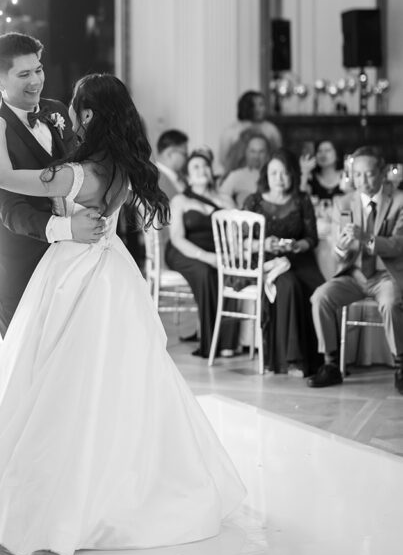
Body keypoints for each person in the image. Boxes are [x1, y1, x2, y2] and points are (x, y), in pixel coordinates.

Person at [0, 75, 245, 555]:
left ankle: (63, 491)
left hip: (73, 268)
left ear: (88, 116)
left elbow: (8, 179)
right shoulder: (121, 167)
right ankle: (111, 472)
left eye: (75, 109)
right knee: (110, 380)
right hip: (112, 268)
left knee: (61, 381)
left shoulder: (79, 174)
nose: (68, 117)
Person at [0, 32, 105, 336]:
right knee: (26, 369)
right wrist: (67, 228)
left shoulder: (57, 111)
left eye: (38, 70)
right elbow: (9, 209)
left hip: (68, 264)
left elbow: (78, 168)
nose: (36, 80)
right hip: (18, 270)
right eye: (24, 74)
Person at [308, 147, 403, 394]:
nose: (363, 181)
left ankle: (401, 365)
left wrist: (368, 238)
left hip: (386, 276)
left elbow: (398, 245)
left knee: (392, 303)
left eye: (369, 174)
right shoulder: (344, 202)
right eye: (357, 175)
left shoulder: (400, 200)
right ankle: (330, 365)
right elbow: (340, 253)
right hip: (354, 275)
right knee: (321, 297)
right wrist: (340, 246)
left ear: (383, 173)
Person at [243, 150, 323, 377]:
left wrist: (298, 246)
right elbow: (240, 241)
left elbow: (312, 239)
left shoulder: (302, 200)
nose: (279, 178)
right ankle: (288, 359)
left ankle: (317, 357)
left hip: (298, 259)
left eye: (285, 172)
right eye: (274, 172)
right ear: (265, 175)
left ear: (293, 175)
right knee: (288, 286)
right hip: (266, 262)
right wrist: (263, 244)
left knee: (317, 289)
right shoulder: (253, 201)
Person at [165, 149, 238, 357]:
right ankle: (210, 342)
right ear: (188, 176)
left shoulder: (225, 200)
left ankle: (227, 343)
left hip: (215, 251)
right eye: (195, 167)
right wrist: (206, 257)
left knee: (229, 272)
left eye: (205, 165)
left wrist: (227, 257)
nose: (202, 170)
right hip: (184, 251)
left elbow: (234, 234)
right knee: (204, 271)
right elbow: (177, 238)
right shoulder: (180, 201)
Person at [218, 90, 281, 176]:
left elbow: (278, 155)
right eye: (255, 105)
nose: (260, 109)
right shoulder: (231, 131)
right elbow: (223, 159)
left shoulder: (271, 129)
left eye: (262, 105)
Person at [219, 130, 270, 208]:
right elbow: (221, 198)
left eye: (261, 151)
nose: (256, 156)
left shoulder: (274, 176)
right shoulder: (236, 176)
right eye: (252, 151)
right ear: (246, 152)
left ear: (267, 153)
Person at [155, 128, 189, 200]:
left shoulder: (181, 177)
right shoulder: (154, 178)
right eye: (184, 154)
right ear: (169, 153)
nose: (186, 158)